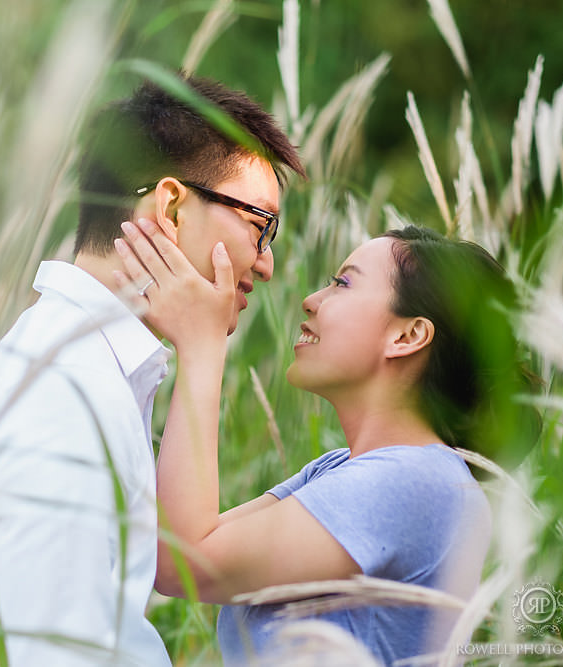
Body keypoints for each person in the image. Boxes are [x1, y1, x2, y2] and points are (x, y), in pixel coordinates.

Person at [0, 71, 304, 667]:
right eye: (260, 225)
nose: (264, 265)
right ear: (172, 206)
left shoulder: (91, 368)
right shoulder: (59, 392)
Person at [114, 220, 538, 665]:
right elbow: (189, 541)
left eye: (342, 283)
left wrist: (202, 345)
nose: (311, 299)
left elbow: (184, 563)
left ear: (408, 336)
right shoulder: (340, 468)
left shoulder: (421, 481)